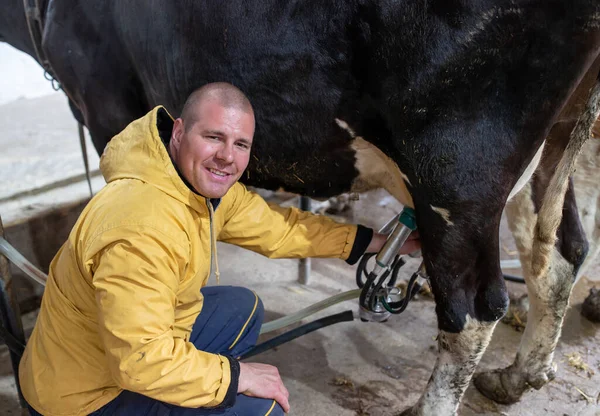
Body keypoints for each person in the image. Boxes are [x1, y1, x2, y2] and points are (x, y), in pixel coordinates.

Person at [19, 83, 420, 416]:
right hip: (81, 399)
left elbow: (281, 229)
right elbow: (140, 361)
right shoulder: (142, 228)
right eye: (213, 137)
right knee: (263, 410)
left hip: (105, 356)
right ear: (178, 132)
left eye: (240, 143)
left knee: (242, 309)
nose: (227, 156)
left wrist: (375, 243)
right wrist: (235, 377)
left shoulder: (191, 183)